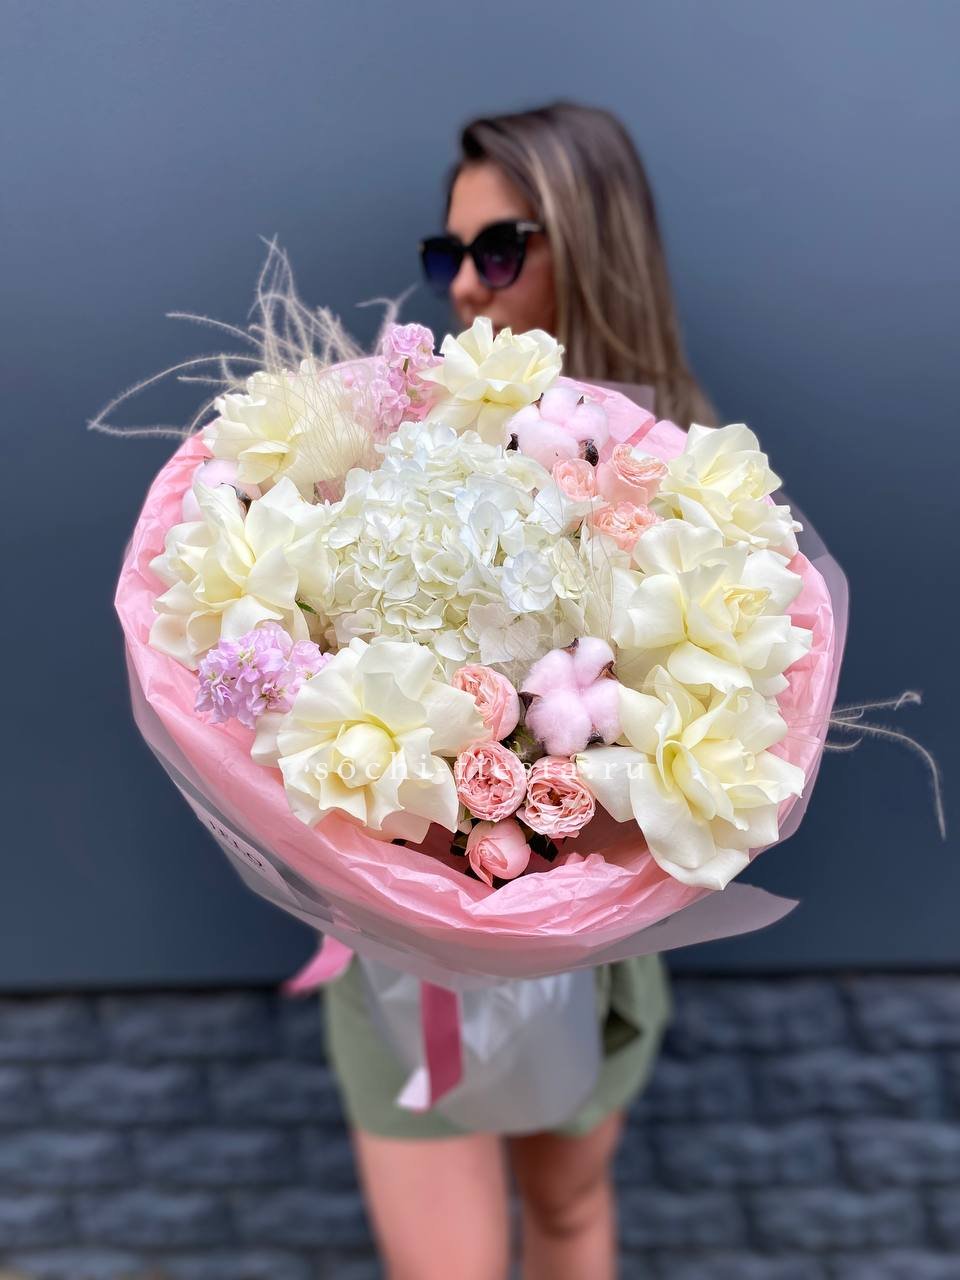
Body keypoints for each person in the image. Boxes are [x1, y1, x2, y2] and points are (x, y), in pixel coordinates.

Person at [324, 102, 715, 1280]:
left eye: (497, 249)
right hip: (400, 947)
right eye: (448, 252)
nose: (463, 284)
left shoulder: (685, 480)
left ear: (589, 244)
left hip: (590, 943)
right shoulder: (397, 446)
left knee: (570, 1208)